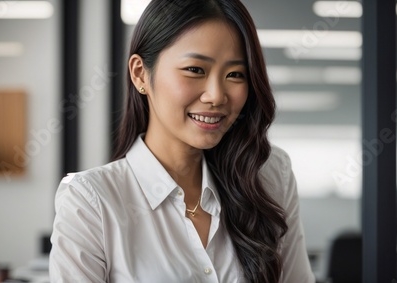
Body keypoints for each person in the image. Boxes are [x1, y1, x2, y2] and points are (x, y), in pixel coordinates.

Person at [49, 0, 315, 282]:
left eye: (235, 74)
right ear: (140, 73)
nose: (216, 95)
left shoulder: (269, 174)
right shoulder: (91, 201)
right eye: (195, 70)